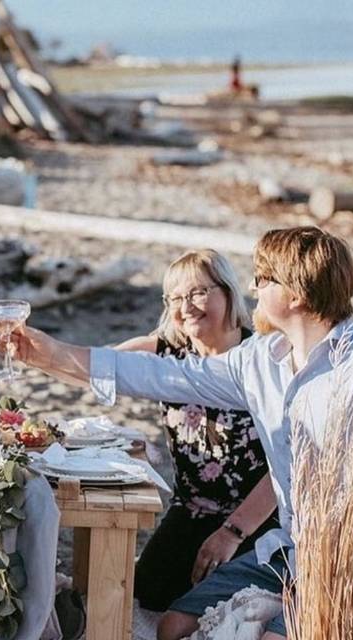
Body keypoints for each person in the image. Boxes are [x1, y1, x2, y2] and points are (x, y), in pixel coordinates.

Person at [0, 227, 353, 640]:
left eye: (263, 279)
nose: (252, 286)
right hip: (293, 549)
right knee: (171, 627)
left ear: (296, 295)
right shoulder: (262, 358)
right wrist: (50, 353)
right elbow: (165, 374)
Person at [117, 249, 278, 612]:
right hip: (190, 511)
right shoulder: (167, 353)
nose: (185, 306)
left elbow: (287, 466)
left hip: (256, 520)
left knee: (225, 609)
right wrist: (34, 350)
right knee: (149, 594)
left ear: (228, 292)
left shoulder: (263, 358)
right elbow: (101, 366)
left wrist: (233, 533)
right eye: (175, 297)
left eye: (198, 293)